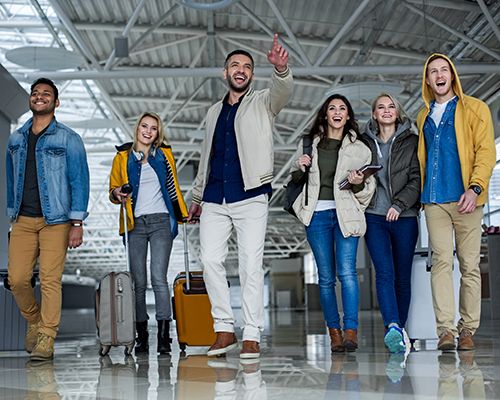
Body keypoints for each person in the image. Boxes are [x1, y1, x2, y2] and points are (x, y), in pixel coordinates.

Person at [187, 34, 293, 359]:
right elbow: (206, 156)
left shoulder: (263, 101)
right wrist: (196, 195)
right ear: (225, 73)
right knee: (209, 261)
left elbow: (283, 91)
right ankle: (223, 329)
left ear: (252, 74)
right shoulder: (212, 112)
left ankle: (251, 333)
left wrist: (282, 69)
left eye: (247, 66)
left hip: (250, 195)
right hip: (214, 196)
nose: (241, 70)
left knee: (250, 264)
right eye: (235, 65)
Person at [6, 77, 90, 361]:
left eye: (46, 94)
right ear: (31, 100)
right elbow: (10, 178)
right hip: (23, 220)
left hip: (56, 219)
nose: (39, 96)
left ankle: (47, 337)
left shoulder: (69, 138)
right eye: (35, 93)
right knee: (17, 279)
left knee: (49, 279)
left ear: (56, 102)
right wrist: (11, 216)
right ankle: (34, 320)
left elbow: (80, 181)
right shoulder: (16, 138)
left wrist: (77, 222)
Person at [416, 53, 496, 351]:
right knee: (441, 263)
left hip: (468, 200)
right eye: (433, 71)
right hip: (434, 201)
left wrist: (475, 188)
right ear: (427, 79)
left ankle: (467, 330)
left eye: (444, 70)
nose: (439, 75)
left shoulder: (476, 109)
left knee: (470, 265)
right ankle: (445, 331)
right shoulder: (422, 116)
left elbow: (486, 152)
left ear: (452, 75)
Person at [289, 94, 376, 352]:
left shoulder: (360, 149)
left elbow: (367, 192)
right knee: (326, 278)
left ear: (348, 115)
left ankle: (351, 331)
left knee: (347, 273)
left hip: (345, 215)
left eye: (342, 108)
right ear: (325, 115)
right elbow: (294, 180)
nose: (337, 112)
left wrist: (359, 182)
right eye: (332, 108)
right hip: (316, 216)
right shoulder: (309, 145)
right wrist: (299, 166)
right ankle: (334, 333)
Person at [109, 111, 188, 354]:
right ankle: (141, 335)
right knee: (138, 283)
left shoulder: (164, 155)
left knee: (158, 279)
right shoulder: (122, 157)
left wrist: (181, 212)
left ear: (157, 133)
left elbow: (173, 185)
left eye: (153, 128)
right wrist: (117, 194)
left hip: (161, 221)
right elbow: (112, 191)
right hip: (135, 225)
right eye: (144, 126)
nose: (148, 131)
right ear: (137, 128)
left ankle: (164, 337)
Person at [362, 93, 420, 353]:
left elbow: (417, 179)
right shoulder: (364, 143)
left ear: (398, 112)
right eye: (381, 107)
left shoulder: (413, 141)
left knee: (402, 277)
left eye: (391, 107)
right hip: (374, 215)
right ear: (374, 114)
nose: (386, 111)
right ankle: (393, 326)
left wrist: (399, 204)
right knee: (384, 273)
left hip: (405, 217)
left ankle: (401, 330)